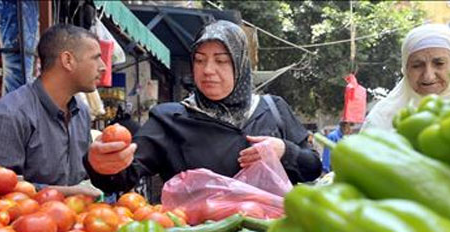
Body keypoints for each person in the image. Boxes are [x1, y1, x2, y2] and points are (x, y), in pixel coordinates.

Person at [84, 20, 321, 195]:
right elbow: (120, 178)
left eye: (221, 60)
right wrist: (99, 164)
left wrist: (284, 150)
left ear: (240, 65)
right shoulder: (170, 119)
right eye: (199, 60)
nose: (208, 70)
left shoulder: (273, 109)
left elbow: (313, 168)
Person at [0, 24, 105, 197]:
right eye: (95, 58)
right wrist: (67, 193)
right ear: (68, 60)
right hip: (20, 221)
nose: (103, 67)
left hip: (73, 220)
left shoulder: (82, 112)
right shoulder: (10, 114)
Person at [361, 23, 450, 131]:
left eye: (439, 63)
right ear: (405, 69)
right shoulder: (382, 119)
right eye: (417, 66)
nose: (428, 76)